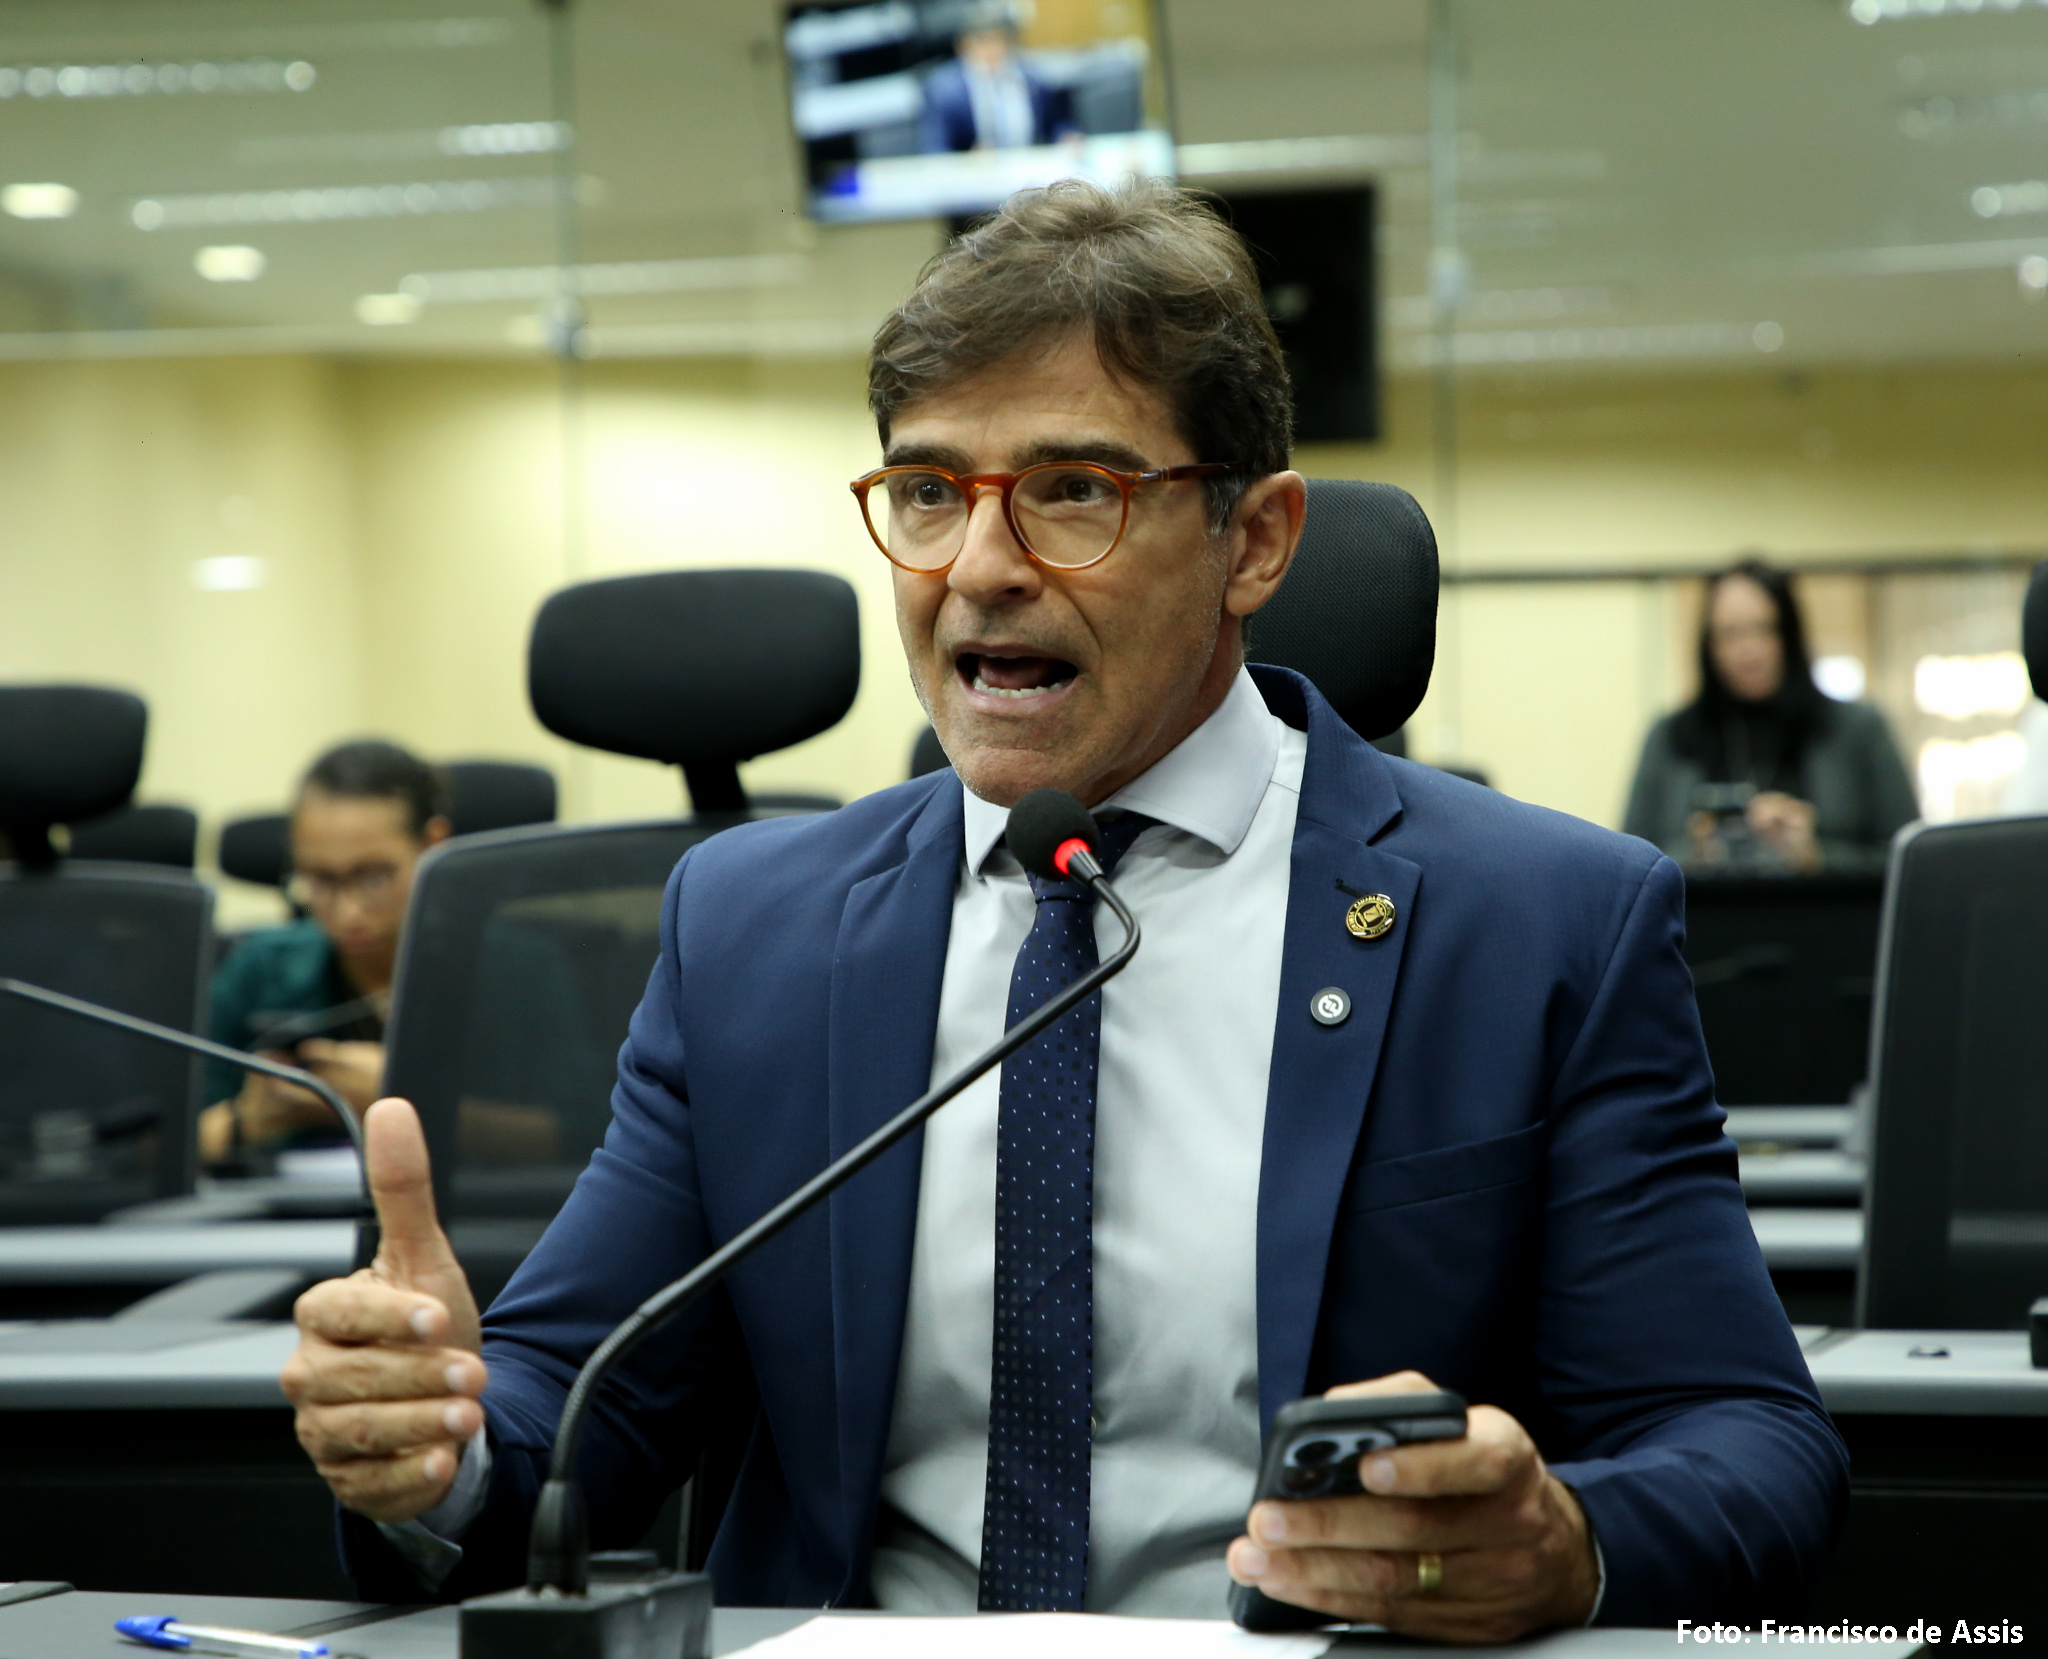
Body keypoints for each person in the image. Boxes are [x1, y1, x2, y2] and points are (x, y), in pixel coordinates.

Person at [284, 182, 1846, 1638]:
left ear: (1254, 539)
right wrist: (435, 1443)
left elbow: (1751, 1442)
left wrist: (1564, 1536)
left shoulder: (1542, 920)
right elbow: (578, 1407)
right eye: (927, 492)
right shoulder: (755, 929)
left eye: (1071, 490)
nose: (980, 567)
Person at [199, 741, 450, 1167]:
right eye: (320, 880)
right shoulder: (259, 966)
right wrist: (247, 1121)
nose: (348, 912)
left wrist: (402, 1098)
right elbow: (160, 1144)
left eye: (373, 877)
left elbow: (559, 1135)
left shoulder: (511, 966)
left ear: (432, 845)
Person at [1624, 560, 1916, 873]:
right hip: (1701, 906)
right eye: (1730, 633)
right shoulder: (1670, 736)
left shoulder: (1859, 730)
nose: (1748, 649)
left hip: (1828, 905)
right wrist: (1692, 855)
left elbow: (1908, 862)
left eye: (1763, 628)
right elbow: (1630, 867)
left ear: (1789, 635)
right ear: (1709, 644)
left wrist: (1816, 855)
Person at [920, 12, 1073, 154]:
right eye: (983, 41)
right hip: (974, 170)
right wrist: (965, 160)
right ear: (964, 45)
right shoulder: (943, 90)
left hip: (1027, 162)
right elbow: (935, 147)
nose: (992, 49)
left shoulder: (1033, 79)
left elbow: (1056, 124)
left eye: (999, 41)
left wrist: (1066, 138)